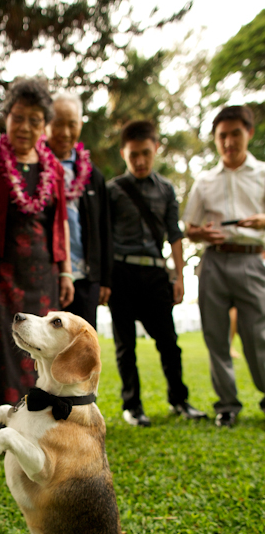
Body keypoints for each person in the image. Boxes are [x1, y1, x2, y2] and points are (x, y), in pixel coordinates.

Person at [0, 78, 74, 409]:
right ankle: (8, 419)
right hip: (1, 272)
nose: (26, 127)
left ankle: (43, 419)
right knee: (4, 350)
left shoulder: (54, 169)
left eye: (35, 120)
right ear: (7, 117)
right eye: (19, 117)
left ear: (44, 126)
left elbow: (60, 223)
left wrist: (66, 273)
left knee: (44, 346)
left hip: (43, 274)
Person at [107, 120, 206, 427]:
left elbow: (174, 235)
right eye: (133, 154)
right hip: (121, 273)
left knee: (168, 341)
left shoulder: (166, 189)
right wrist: (104, 280)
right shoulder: (113, 190)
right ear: (124, 152)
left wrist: (177, 276)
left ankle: (179, 399)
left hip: (155, 274)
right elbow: (104, 235)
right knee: (126, 345)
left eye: (146, 153)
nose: (140, 161)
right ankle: (132, 406)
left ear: (156, 149)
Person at [184, 105, 265, 428]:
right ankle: (227, 405)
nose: (229, 141)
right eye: (222, 136)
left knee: (258, 334)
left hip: (250, 258)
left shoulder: (262, 174)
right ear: (215, 140)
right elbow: (189, 227)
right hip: (214, 261)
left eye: (235, 133)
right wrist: (200, 232)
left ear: (249, 133)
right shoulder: (204, 181)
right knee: (216, 336)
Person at [45, 92, 113, 329]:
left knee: (81, 347)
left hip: (85, 277)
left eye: (71, 124)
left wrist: (104, 279)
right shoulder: (36, 165)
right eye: (58, 123)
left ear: (80, 125)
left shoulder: (93, 175)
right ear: (46, 124)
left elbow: (104, 228)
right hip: (47, 275)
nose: (65, 132)